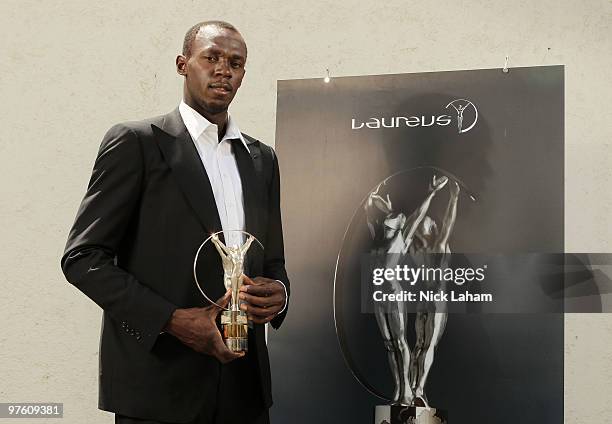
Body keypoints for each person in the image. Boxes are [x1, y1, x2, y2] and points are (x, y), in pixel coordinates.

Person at [61, 20, 289, 424]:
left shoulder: (262, 159)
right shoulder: (137, 143)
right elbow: (83, 259)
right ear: (183, 64)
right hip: (158, 388)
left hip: (244, 391)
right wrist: (171, 320)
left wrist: (279, 293)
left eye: (235, 63)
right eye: (212, 58)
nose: (224, 70)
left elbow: (272, 264)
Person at [364, 174, 459, 407]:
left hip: (431, 296)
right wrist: (371, 200)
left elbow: (435, 221)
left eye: (425, 225)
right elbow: (376, 215)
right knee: (407, 344)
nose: (420, 227)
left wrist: (446, 196)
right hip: (394, 296)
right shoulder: (393, 241)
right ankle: (407, 391)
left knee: (424, 345)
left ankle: (415, 390)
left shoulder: (429, 243)